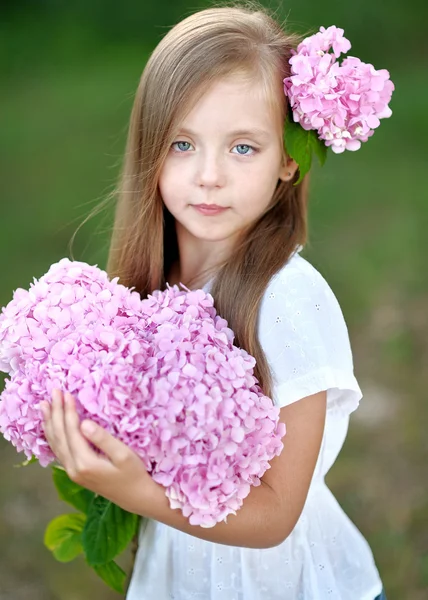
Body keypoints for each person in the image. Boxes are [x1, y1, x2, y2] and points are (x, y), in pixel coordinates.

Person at [40, 2, 389, 598]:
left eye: (242, 148)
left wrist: (136, 492)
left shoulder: (287, 301)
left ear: (287, 160)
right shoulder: (149, 287)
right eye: (182, 143)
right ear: (150, 146)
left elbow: (276, 516)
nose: (208, 175)